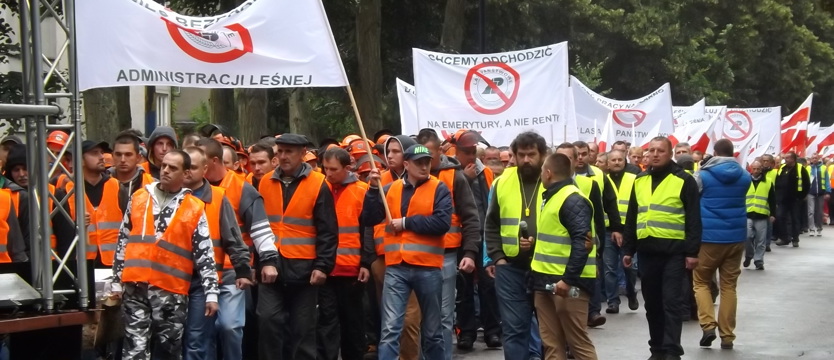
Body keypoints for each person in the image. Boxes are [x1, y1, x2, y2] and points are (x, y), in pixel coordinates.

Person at [110, 150, 219, 360]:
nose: (166, 170)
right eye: (164, 166)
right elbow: (123, 240)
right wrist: (116, 282)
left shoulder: (194, 207)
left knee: (169, 350)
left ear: (185, 174)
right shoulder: (139, 198)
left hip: (171, 291)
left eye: (173, 168)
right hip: (135, 287)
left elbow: (205, 253)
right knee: (134, 350)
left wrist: (211, 293)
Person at [361, 143, 452, 360]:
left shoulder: (439, 188)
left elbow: (442, 223)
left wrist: (405, 223)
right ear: (407, 164)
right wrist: (372, 189)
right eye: (419, 163)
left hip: (428, 268)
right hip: (396, 268)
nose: (424, 166)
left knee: (433, 332)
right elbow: (369, 218)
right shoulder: (390, 189)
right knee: (390, 330)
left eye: (427, 162)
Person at [196, 137, 281, 360]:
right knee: (202, 332)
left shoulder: (242, 189)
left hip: (232, 271)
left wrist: (268, 261)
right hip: (198, 273)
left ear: (213, 161)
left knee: (230, 327)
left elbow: (260, 230)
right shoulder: (191, 187)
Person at [257, 133, 338, 360]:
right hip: (271, 267)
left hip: (305, 271)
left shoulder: (319, 184)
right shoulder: (265, 182)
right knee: (267, 322)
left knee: (303, 332)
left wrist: (322, 266)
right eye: (280, 151)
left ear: (303, 154)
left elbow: (328, 231)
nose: (283, 156)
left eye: (289, 152)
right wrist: (260, 262)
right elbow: (259, 226)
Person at [623, 137, 701, 360]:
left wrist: (692, 252)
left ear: (670, 154)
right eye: (652, 150)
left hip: (674, 252)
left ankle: (672, 350)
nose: (655, 155)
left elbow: (693, 219)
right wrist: (628, 249)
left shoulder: (684, 180)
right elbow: (632, 216)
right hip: (647, 252)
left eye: (661, 151)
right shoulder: (640, 180)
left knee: (671, 303)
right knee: (653, 304)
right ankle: (656, 349)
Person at [181, 147, 255, 360]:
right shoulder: (170, 196)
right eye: (184, 167)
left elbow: (234, 238)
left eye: (192, 167)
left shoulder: (218, 198)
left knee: (206, 335)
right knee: (187, 337)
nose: (187, 172)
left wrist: (243, 270)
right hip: (177, 279)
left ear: (205, 169)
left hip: (212, 277)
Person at [413, 129, 479, 360]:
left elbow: (470, 217)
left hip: (446, 256)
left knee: (443, 316)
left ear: (440, 151)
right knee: (418, 316)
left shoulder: (454, 176)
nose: (424, 162)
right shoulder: (408, 177)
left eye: (429, 156)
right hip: (414, 257)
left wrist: (470, 252)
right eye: (420, 157)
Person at [485, 132, 548, 360]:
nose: (526, 160)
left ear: (543, 155)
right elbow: (491, 223)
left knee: (550, 332)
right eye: (521, 155)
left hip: (547, 267)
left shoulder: (554, 180)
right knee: (514, 330)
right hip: (510, 268)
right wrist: (497, 257)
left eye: (531, 155)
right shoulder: (502, 182)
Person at [532, 153, 598, 360]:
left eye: (542, 170)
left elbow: (581, 243)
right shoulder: (553, 197)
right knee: (551, 344)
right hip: (546, 280)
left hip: (567, 285)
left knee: (578, 344)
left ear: (548, 173)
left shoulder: (572, 199)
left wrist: (568, 279)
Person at [692, 139, 750, 350]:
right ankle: (727, 336)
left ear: (715, 153)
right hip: (736, 237)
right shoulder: (745, 176)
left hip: (709, 237)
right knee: (729, 286)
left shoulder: (703, 175)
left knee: (701, 282)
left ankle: (708, 325)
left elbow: (693, 197)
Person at [316, 147, 373, 360]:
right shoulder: (319, 188)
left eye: (333, 169)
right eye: (325, 168)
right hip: (325, 269)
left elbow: (368, 230)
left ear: (347, 168)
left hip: (351, 269)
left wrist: (365, 263)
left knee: (353, 323)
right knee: (327, 323)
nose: (328, 173)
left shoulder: (362, 191)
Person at [452, 130, 502, 350]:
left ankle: (493, 331)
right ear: (457, 152)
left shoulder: (486, 172)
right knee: (463, 288)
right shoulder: (451, 172)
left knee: (488, 285)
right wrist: (465, 179)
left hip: (483, 236)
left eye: (473, 151)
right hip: (460, 238)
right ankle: (466, 332)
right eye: (467, 151)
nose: (471, 156)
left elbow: (491, 204)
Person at [57, 140, 125, 267]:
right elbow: (62, 236)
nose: (101, 157)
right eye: (94, 153)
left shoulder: (117, 187)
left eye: (101, 152)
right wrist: (77, 226)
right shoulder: (66, 191)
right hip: (82, 265)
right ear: (81, 160)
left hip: (114, 263)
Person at [603, 150, 639, 313]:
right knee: (609, 268)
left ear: (625, 161)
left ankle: (631, 293)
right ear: (607, 163)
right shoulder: (603, 180)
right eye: (613, 160)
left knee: (629, 267)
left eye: (620, 159)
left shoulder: (634, 179)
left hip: (628, 230)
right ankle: (613, 301)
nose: (617, 162)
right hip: (608, 230)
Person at [111, 132, 155, 210]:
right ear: (112, 156)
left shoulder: (152, 184)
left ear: (138, 157)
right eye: (118, 154)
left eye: (128, 155)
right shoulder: (101, 183)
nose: (123, 160)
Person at [745, 161, 775, 270]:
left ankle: (759, 260)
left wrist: (773, 214)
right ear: (751, 169)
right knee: (747, 237)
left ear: (761, 169)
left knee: (761, 240)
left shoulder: (768, 181)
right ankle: (749, 255)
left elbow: (772, 199)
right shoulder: (746, 181)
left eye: (758, 169)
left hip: (762, 215)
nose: (756, 171)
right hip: (748, 213)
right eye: (754, 169)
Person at [774, 152, 809, 247]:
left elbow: (806, 183)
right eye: (785, 158)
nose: (785, 160)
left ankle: (795, 238)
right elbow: (777, 182)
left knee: (795, 219)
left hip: (795, 199)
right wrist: (777, 195)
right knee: (780, 217)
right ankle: (784, 238)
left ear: (793, 159)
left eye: (787, 158)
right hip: (783, 199)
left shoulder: (800, 169)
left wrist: (801, 196)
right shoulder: (782, 168)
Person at [806, 154, 829, 236]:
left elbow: (827, 180)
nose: (814, 159)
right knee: (810, 212)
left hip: (821, 193)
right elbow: (805, 181)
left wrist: (827, 192)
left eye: (816, 158)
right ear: (811, 159)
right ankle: (811, 229)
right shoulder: (808, 168)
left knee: (819, 212)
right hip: (810, 192)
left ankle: (819, 228)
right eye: (813, 158)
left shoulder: (823, 168)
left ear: (818, 159)